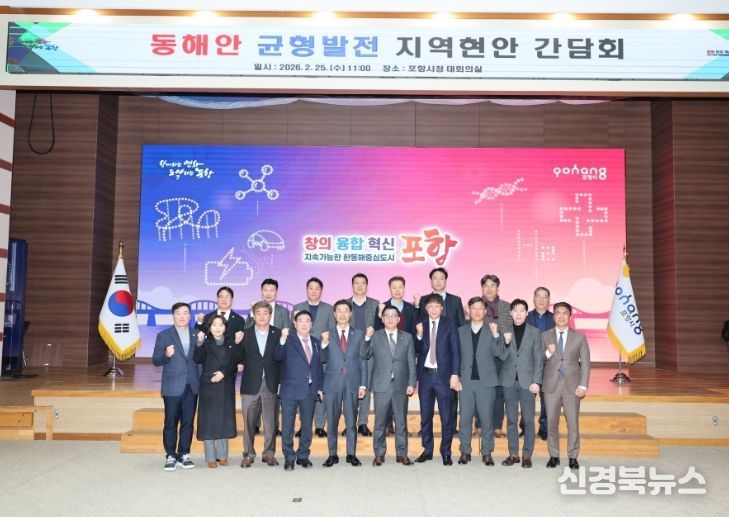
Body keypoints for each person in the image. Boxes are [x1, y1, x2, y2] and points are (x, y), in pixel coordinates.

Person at [362, 305, 417, 466]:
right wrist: (367, 338)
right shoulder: (375, 336)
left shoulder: (407, 337)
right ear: (382, 318)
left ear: (399, 319)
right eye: (387, 315)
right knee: (380, 423)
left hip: (401, 386)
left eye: (394, 316)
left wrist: (411, 383)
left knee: (401, 423)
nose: (390, 318)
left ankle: (402, 454)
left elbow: (411, 362)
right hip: (381, 385)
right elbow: (364, 354)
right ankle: (379, 454)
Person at [456, 297, 506, 466]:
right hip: (466, 382)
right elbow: (455, 356)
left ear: (485, 311)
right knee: (465, 419)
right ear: (468, 310)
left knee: (486, 419)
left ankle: (487, 452)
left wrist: (496, 335)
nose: (477, 312)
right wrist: (455, 376)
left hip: (486, 382)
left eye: (480, 309)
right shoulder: (460, 331)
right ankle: (465, 451)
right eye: (473, 308)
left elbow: (499, 353)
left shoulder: (492, 329)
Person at [319, 300, 369, 467]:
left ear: (350, 313)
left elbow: (363, 361)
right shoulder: (327, 334)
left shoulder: (359, 334)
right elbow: (322, 359)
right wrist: (324, 343)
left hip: (352, 383)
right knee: (332, 422)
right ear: (334, 314)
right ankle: (332, 455)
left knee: (351, 422)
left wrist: (363, 385)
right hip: (332, 383)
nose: (342, 314)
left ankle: (351, 454)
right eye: (339, 311)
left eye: (346, 310)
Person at [151, 302, 200, 471]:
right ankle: (171, 455)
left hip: (192, 385)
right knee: (171, 422)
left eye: (185, 313)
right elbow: (156, 360)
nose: (182, 316)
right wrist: (166, 354)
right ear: (173, 316)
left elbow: (201, 360)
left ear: (190, 316)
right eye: (178, 313)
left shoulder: (197, 334)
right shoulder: (164, 335)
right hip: (172, 386)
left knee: (188, 422)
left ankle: (184, 453)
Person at [542, 302, 591, 470]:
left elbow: (585, 363)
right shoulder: (545, 336)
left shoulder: (579, 337)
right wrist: (548, 353)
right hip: (551, 386)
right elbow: (538, 359)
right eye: (558, 313)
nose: (561, 316)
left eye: (565, 313)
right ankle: (553, 455)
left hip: (572, 386)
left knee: (573, 423)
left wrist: (583, 385)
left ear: (570, 316)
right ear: (553, 316)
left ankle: (573, 456)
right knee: (551, 422)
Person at [414, 294, 461, 466]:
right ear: (426, 309)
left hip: (444, 377)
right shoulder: (421, 324)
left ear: (442, 308)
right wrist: (419, 335)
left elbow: (455, 351)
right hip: (425, 376)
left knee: (446, 417)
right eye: (430, 306)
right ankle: (427, 450)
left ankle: (446, 452)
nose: (433, 309)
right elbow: (416, 349)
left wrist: (455, 374)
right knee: (425, 417)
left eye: (436, 306)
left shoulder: (450, 324)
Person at [275, 311, 324, 471]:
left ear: (311, 324)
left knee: (307, 426)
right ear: (295, 324)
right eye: (300, 321)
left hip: (309, 390)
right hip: (290, 390)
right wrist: (282, 339)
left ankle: (303, 455)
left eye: (307, 321)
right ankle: (289, 457)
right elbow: (278, 356)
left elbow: (318, 367)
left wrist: (319, 387)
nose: (304, 324)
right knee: (287, 426)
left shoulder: (316, 342)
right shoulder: (288, 340)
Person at [499, 299, 543, 469]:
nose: (518, 314)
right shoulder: (504, 331)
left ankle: (527, 455)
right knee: (511, 419)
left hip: (528, 383)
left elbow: (538, 359)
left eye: (522, 311)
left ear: (526, 313)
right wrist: (506, 343)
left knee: (528, 420)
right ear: (510, 313)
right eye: (515, 311)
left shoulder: (535, 332)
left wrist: (537, 381)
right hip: (509, 381)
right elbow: (500, 356)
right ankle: (513, 454)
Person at [238, 301, 282, 468]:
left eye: (265, 313)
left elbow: (283, 360)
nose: (262, 316)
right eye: (258, 313)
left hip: (271, 383)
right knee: (249, 423)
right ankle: (248, 454)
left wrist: (281, 382)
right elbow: (238, 357)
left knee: (270, 422)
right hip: (250, 384)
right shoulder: (245, 334)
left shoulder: (278, 333)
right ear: (253, 315)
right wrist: (236, 343)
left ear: (270, 315)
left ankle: (269, 454)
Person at [193, 315, 240, 468]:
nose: (217, 328)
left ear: (225, 327)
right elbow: (197, 358)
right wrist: (199, 342)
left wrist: (223, 373)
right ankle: (211, 458)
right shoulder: (206, 343)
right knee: (208, 421)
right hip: (209, 385)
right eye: (214, 325)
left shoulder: (231, 343)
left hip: (225, 385)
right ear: (209, 328)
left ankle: (223, 456)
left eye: (221, 325)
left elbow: (235, 363)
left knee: (224, 420)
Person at [292, 277, 334, 437]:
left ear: (321, 291)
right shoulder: (298, 307)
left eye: (317, 288)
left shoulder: (329, 309)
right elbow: (293, 331)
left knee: (320, 390)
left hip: (321, 355)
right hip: (302, 357)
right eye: (311, 288)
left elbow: (332, 331)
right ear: (306, 289)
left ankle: (320, 425)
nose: (314, 291)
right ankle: (304, 425)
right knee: (303, 391)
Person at [481, 274, 513, 438]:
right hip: (481, 355)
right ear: (482, 288)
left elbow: (511, 329)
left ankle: (497, 425)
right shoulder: (475, 305)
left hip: (502, 354)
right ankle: (479, 425)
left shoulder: (507, 307)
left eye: (492, 285)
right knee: (481, 390)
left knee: (500, 391)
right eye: (486, 285)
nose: (489, 289)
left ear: (497, 288)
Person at [348, 273, 380, 438]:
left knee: (365, 387)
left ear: (367, 286)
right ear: (352, 285)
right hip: (349, 352)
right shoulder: (344, 304)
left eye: (363, 283)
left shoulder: (376, 305)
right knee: (351, 387)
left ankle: (362, 423)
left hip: (369, 351)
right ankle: (350, 423)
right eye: (356, 283)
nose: (359, 286)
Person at [525, 286, 554, 441]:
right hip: (528, 364)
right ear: (533, 298)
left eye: (545, 297)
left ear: (549, 300)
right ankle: (526, 428)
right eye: (538, 296)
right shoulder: (525, 317)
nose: (541, 299)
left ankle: (544, 427)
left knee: (547, 399)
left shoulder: (556, 318)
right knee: (527, 399)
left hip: (549, 365)